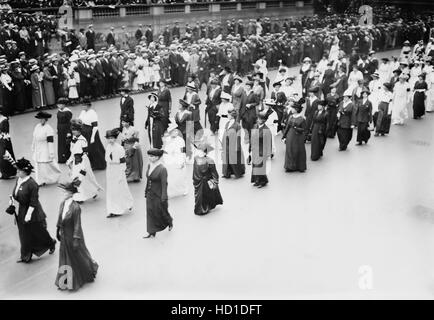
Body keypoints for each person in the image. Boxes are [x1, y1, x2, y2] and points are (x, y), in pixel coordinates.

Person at [7, 158, 56, 263]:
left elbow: (33, 202)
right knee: (23, 233)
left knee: (38, 232)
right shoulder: (19, 180)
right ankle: (25, 255)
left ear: (25, 172)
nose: (17, 172)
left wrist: (28, 216)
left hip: (33, 212)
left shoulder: (32, 184)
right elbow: (14, 195)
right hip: (22, 210)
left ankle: (51, 242)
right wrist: (11, 203)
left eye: (19, 170)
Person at [55, 179, 98, 291]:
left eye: (64, 192)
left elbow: (77, 225)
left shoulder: (75, 208)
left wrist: (76, 239)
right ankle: (64, 280)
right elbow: (60, 218)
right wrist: (58, 229)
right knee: (64, 257)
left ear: (70, 194)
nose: (62, 194)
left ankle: (87, 271)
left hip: (72, 235)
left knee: (77, 256)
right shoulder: (62, 204)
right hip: (64, 234)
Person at [67, 120, 102, 203]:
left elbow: (85, 154)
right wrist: (69, 160)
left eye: (75, 130)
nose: (73, 132)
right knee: (78, 178)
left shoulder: (83, 141)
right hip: (76, 161)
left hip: (83, 161)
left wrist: (83, 166)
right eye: (72, 130)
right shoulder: (73, 140)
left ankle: (81, 197)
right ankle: (92, 192)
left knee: (81, 177)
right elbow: (73, 152)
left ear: (79, 130)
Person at [144, 148, 173, 239]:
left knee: (161, 211)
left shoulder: (162, 169)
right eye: (149, 155)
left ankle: (169, 221)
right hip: (150, 193)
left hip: (159, 194)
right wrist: (146, 191)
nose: (149, 157)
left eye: (152, 156)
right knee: (150, 212)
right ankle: (151, 231)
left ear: (157, 157)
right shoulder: (149, 166)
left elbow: (164, 184)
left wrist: (164, 196)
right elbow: (148, 179)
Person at [105, 129, 134, 219]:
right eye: (109, 138)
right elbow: (107, 159)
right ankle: (112, 209)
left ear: (115, 138)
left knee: (121, 189)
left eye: (112, 138)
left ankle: (124, 205)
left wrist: (122, 173)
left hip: (118, 170)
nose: (110, 140)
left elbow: (122, 162)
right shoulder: (108, 147)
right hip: (110, 170)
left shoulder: (119, 148)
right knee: (111, 191)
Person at [193, 142, 223, 215]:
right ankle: (201, 209)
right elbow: (194, 170)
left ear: (204, 152)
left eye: (200, 150)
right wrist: (194, 180)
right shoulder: (196, 158)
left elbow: (215, 174)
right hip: (198, 182)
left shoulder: (210, 161)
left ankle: (205, 208)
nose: (197, 152)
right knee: (199, 197)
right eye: (197, 150)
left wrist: (215, 183)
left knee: (206, 196)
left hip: (206, 182)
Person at [32, 111, 61, 186]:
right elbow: (34, 137)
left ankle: (55, 176)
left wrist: (51, 152)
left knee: (47, 165)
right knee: (38, 165)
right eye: (40, 119)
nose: (41, 120)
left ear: (46, 119)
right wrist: (33, 146)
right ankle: (40, 180)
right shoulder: (37, 126)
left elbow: (50, 142)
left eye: (42, 119)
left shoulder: (49, 129)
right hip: (38, 148)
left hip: (45, 148)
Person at [78, 99, 106, 170]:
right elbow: (80, 120)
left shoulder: (92, 113)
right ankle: (91, 164)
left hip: (91, 132)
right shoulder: (82, 112)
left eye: (84, 105)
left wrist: (92, 137)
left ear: (88, 105)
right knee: (86, 149)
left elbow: (95, 126)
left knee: (94, 148)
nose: (83, 106)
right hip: (84, 131)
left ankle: (100, 164)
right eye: (82, 105)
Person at [163, 122, 188, 199]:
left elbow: (183, 152)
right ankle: (169, 192)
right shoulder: (167, 140)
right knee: (170, 177)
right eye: (174, 131)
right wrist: (166, 160)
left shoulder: (181, 140)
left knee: (181, 176)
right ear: (170, 132)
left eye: (176, 131)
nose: (176, 132)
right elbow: (165, 151)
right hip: (170, 160)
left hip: (179, 159)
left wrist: (183, 161)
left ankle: (184, 189)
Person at [282, 99, 307, 171]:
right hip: (290, 136)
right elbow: (287, 127)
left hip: (298, 137)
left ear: (296, 109)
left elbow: (305, 130)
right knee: (289, 150)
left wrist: (297, 128)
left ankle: (300, 166)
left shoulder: (302, 119)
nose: (291, 109)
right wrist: (284, 136)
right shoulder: (290, 117)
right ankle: (289, 166)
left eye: (292, 108)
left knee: (298, 150)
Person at [221, 107, 245, 179]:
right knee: (226, 158)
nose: (227, 115)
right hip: (226, 144)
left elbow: (238, 136)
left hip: (233, 144)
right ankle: (227, 173)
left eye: (228, 114)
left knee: (234, 158)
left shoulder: (237, 125)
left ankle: (238, 172)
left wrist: (237, 147)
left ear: (232, 116)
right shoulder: (227, 123)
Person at [250, 113, 272, 187]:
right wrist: (250, 148)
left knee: (260, 166)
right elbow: (252, 138)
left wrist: (269, 154)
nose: (259, 120)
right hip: (255, 150)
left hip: (262, 150)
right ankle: (257, 180)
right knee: (255, 166)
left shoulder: (266, 130)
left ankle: (262, 181)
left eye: (261, 119)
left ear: (264, 120)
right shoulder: (255, 126)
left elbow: (269, 142)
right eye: (258, 118)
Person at [0, 109, 16, 179]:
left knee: (5, 155)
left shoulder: (4, 120)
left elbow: (6, 132)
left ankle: (10, 173)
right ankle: (4, 173)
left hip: (4, 140)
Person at [56, 98, 73, 164]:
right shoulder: (59, 111)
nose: (58, 105)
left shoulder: (68, 112)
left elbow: (69, 122)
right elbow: (58, 121)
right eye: (58, 104)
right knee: (61, 143)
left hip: (66, 129)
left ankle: (68, 158)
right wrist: (57, 129)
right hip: (60, 129)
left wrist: (69, 131)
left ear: (64, 105)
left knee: (66, 143)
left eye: (60, 104)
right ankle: (61, 159)